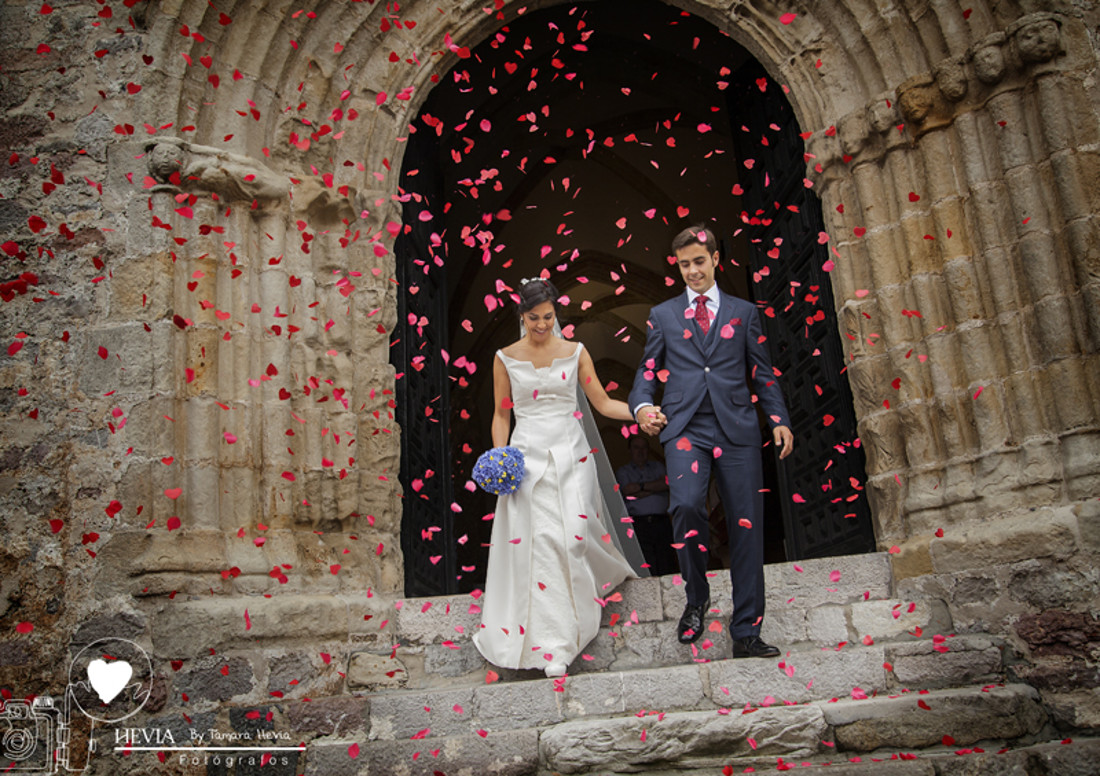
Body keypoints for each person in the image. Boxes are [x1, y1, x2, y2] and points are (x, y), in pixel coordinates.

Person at [628, 224, 794, 659]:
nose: (692, 271)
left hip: (737, 426)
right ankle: (696, 599)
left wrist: (778, 419)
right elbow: (646, 373)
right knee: (684, 505)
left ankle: (746, 632)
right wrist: (642, 408)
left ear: (716, 259)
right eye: (684, 264)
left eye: (699, 261)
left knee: (746, 525)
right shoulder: (663, 315)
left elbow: (761, 371)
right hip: (685, 426)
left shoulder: (743, 312)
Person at [472, 277, 651, 677]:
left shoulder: (576, 352)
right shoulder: (505, 358)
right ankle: (556, 644)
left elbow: (603, 403)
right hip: (526, 457)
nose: (541, 325)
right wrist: (500, 456)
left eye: (548, 317)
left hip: (572, 455)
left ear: (556, 314)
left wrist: (640, 412)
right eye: (533, 318)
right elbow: (501, 414)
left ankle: (576, 617)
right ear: (522, 316)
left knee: (572, 538)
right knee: (539, 544)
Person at [615, 435, 677, 576]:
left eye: (644, 448)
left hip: (661, 522)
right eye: (636, 447)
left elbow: (666, 484)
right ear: (630, 450)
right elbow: (627, 490)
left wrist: (640, 487)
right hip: (638, 524)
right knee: (645, 564)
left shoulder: (658, 467)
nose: (640, 451)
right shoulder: (624, 471)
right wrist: (654, 488)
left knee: (666, 562)